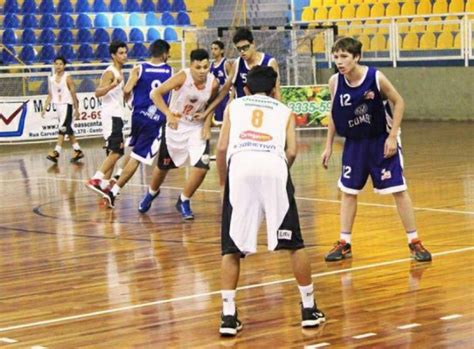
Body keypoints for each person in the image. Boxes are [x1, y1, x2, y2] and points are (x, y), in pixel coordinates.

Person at [215, 66, 325, 336]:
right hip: (274, 167)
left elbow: (220, 147)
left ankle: (228, 316)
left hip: (240, 168)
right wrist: (278, 170)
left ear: (246, 89)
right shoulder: (284, 110)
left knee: (232, 248)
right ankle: (309, 309)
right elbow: (292, 150)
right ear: (275, 89)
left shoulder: (235, 106)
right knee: (294, 243)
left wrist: (222, 183)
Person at [321, 37, 432, 262]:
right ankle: (344, 243)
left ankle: (415, 241)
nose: (339, 61)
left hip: (380, 139)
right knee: (348, 191)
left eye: (344, 56)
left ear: (357, 57)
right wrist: (328, 145)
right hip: (354, 142)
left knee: (399, 190)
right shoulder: (335, 81)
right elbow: (335, 114)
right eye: (336, 57)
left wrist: (392, 137)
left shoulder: (375, 77)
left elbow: (399, 102)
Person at [137, 49, 219, 219]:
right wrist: (167, 113)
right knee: (163, 167)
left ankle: (184, 199)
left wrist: (207, 125)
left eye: (206, 67)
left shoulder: (213, 83)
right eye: (198, 67)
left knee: (202, 166)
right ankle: (152, 192)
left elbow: (212, 104)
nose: (203, 71)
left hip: (196, 127)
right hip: (176, 126)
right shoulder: (182, 77)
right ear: (191, 66)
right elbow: (155, 94)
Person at [103, 40, 173, 208]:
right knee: (138, 157)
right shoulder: (170, 71)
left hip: (138, 115)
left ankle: (118, 175)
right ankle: (114, 191)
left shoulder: (139, 68)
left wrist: (130, 101)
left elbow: (126, 90)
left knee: (134, 149)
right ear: (164, 54)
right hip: (155, 119)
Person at [196, 27, 280, 123]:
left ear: (253, 44)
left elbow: (276, 92)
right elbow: (223, 91)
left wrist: (279, 119)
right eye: (239, 49)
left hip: (263, 114)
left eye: (245, 47)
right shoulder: (237, 63)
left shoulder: (269, 62)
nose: (242, 52)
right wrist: (206, 112)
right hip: (242, 114)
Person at [86, 41, 128, 197]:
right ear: (113, 55)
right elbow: (97, 93)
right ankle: (96, 179)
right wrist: (111, 86)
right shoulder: (110, 72)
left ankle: (104, 185)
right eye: (121, 53)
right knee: (117, 151)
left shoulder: (120, 72)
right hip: (111, 115)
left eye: (125, 52)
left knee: (113, 151)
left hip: (117, 114)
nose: (124, 56)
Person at [42, 56, 84, 164]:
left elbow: (73, 93)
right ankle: (77, 150)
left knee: (63, 128)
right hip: (58, 107)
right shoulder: (51, 79)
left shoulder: (67, 77)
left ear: (64, 66)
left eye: (60, 64)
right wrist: (45, 107)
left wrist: (76, 108)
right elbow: (50, 95)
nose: (58, 66)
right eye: (56, 64)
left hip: (67, 105)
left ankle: (56, 152)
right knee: (68, 129)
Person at [210, 40, 231, 126]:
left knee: (226, 122)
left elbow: (232, 81)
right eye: (212, 49)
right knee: (219, 122)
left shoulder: (226, 64)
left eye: (216, 49)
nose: (213, 51)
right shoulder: (211, 65)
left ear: (222, 50)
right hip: (216, 96)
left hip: (225, 96)